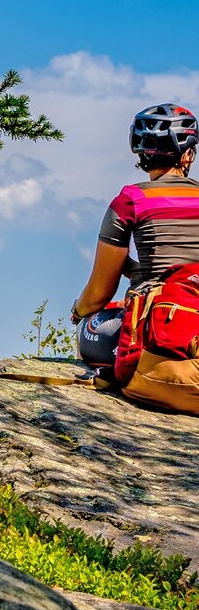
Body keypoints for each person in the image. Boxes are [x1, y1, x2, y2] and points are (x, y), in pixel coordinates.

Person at [71, 103, 199, 394]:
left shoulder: (130, 201)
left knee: (90, 326)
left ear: (140, 152)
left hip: (157, 333)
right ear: (188, 153)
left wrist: (78, 311)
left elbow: (99, 294)